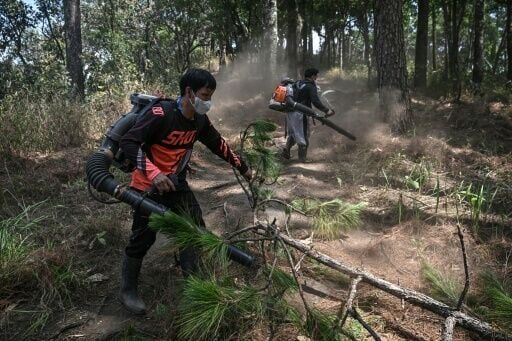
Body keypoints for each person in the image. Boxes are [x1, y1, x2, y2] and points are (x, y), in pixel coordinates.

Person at [118, 68, 252, 315]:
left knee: (195, 228)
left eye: (211, 96)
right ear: (189, 92)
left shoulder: (199, 120)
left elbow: (218, 144)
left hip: (176, 183)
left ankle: (193, 282)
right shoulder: (161, 114)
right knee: (143, 237)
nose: (207, 101)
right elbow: (129, 142)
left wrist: (243, 167)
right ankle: (128, 290)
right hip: (147, 185)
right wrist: (154, 173)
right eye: (204, 94)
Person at [282, 67, 335, 162]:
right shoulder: (310, 86)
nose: (317, 77)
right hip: (300, 114)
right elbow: (315, 102)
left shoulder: (298, 83)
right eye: (316, 75)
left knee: (294, 133)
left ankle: (287, 150)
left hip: (289, 113)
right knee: (304, 134)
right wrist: (327, 111)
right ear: (313, 76)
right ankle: (302, 158)